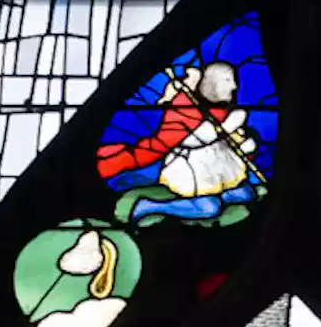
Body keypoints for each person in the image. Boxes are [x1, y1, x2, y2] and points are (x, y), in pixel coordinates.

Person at [99, 59, 261, 223]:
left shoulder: (223, 111)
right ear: (212, 82)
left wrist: (244, 144)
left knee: (246, 194)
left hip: (220, 163)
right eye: (227, 80)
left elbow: (231, 139)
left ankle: (224, 193)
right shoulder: (186, 108)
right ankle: (148, 206)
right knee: (210, 208)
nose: (234, 86)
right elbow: (194, 138)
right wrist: (228, 125)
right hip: (191, 167)